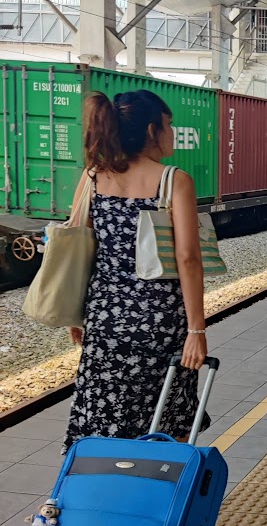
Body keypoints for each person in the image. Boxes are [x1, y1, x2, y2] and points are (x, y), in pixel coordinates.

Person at [63, 90, 209, 451]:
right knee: (167, 416)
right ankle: (161, 496)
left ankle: (103, 494)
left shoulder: (94, 176)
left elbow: (79, 246)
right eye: (169, 125)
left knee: (103, 415)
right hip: (159, 321)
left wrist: (75, 311)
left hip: (105, 320)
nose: (173, 133)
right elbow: (188, 257)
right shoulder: (174, 180)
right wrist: (196, 329)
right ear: (151, 129)